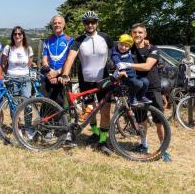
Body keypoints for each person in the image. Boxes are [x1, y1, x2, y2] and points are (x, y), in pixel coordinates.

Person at [117, 23, 172, 162]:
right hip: (137, 88)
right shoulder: (130, 48)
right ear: (131, 34)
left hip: (152, 87)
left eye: (140, 32)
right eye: (134, 32)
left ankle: (163, 149)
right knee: (141, 119)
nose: (137, 35)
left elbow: (147, 66)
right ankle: (144, 145)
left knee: (159, 121)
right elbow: (116, 49)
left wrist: (128, 65)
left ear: (145, 34)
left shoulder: (152, 48)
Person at [61, 11, 114, 155]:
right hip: (85, 81)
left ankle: (103, 141)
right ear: (84, 24)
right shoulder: (78, 40)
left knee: (105, 112)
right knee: (90, 111)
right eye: (87, 22)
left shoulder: (105, 38)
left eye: (93, 22)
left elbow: (118, 51)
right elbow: (70, 58)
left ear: (97, 23)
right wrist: (65, 73)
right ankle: (95, 134)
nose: (90, 25)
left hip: (104, 80)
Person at [41, 15, 74, 106]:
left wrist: (57, 73)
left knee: (59, 107)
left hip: (61, 76)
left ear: (63, 25)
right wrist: (49, 74)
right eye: (54, 23)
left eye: (59, 23)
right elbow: (44, 59)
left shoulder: (70, 40)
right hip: (48, 75)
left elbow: (69, 60)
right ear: (52, 25)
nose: (57, 25)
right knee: (46, 107)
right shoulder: (47, 41)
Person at [111, 34, 151, 106]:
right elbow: (117, 61)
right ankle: (131, 97)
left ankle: (141, 96)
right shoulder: (115, 52)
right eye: (121, 45)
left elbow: (137, 42)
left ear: (130, 47)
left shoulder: (129, 50)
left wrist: (144, 41)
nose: (123, 47)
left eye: (126, 46)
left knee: (146, 81)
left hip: (133, 74)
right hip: (124, 76)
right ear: (118, 43)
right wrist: (122, 70)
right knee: (138, 84)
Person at [1, 26, 33, 98]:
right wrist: (9, 73)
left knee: (26, 102)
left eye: (19, 34)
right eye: (15, 34)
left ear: (23, 35)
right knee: (14, 103)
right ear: (12, 36)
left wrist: (23, 71)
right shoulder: (8, 48)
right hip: (12, 79)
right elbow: (2, 64)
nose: (17, 36)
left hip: (25, 79)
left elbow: (29, 64)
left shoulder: (28, 49)